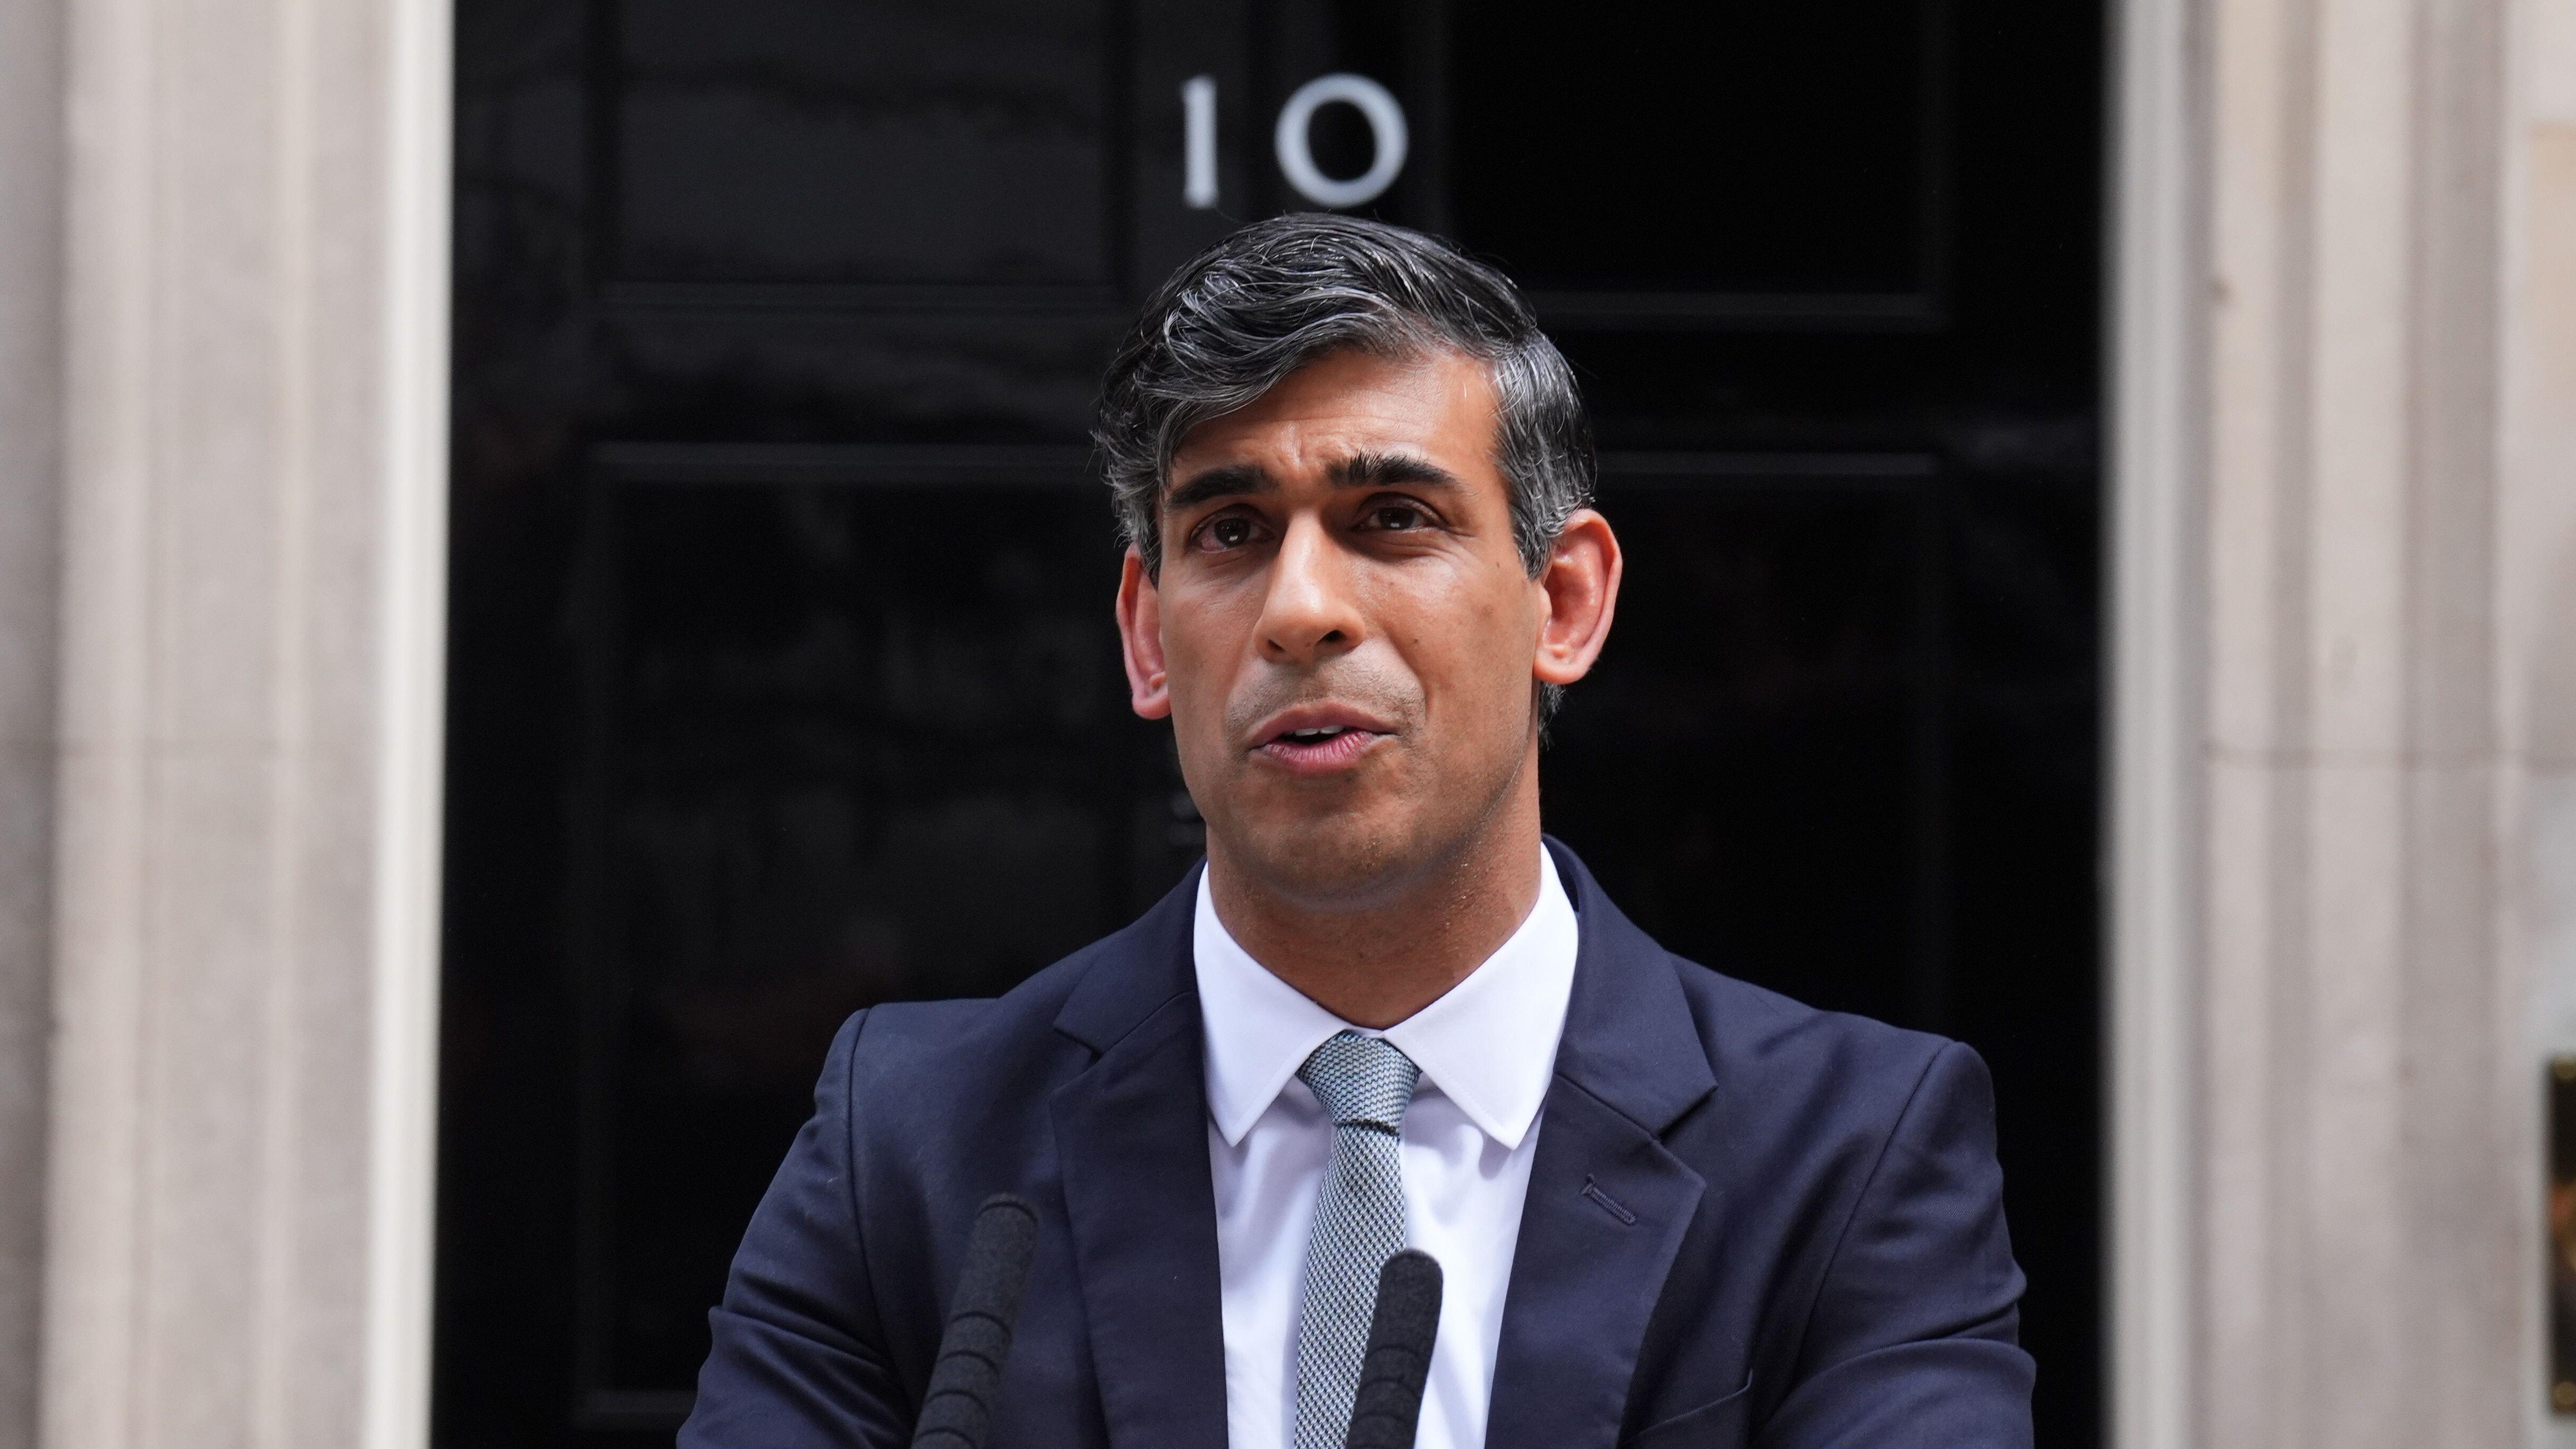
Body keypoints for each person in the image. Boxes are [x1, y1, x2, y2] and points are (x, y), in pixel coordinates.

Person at [677, 214, 2034, 1449]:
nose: (1299, 609)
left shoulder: (1846, 1152)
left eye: (1392, 519)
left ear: (1563, 601)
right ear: (1149, 637)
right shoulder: (914, 1145)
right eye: (1230, 529)